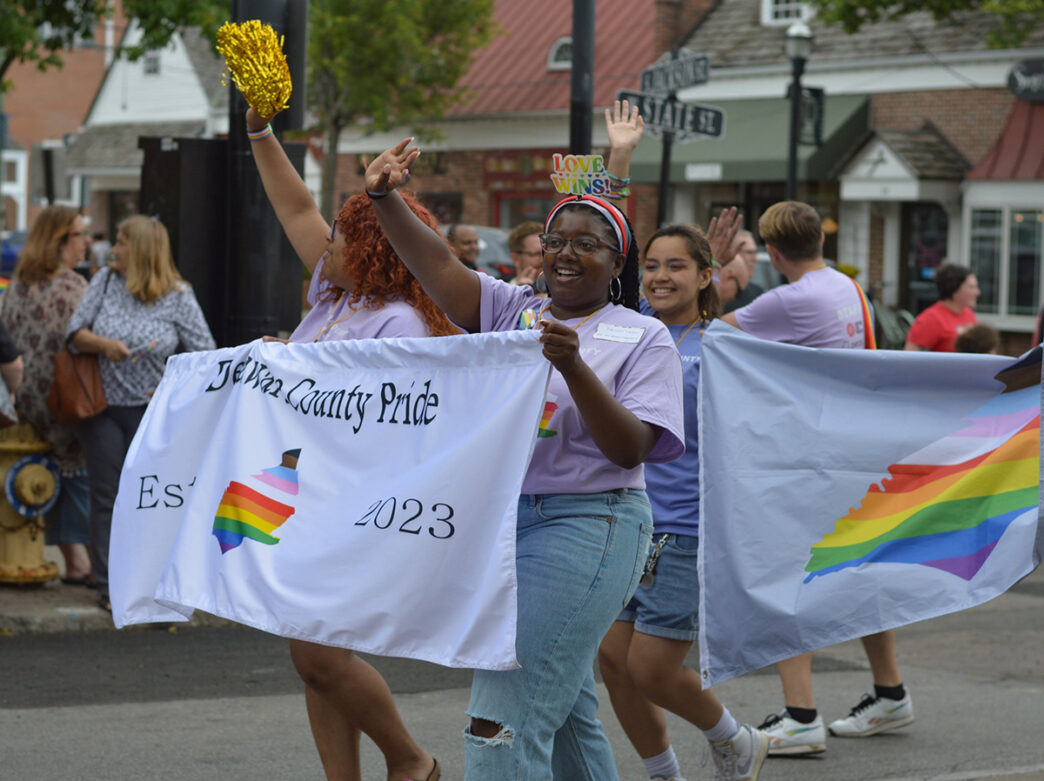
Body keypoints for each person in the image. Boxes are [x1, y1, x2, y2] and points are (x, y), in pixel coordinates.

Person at [364, 127, 685, 780]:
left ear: (616, 259)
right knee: (565, 717)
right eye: (554, 242)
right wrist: (385, 200)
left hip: (591, 524)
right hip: (509, 528)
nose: (564, 254)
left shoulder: (641, 335)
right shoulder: (516, 309)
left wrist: (575, 368)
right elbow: (441, 271)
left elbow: (630, 447)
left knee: (499, 725)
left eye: (586, 244)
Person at [246, 106, 446, 781]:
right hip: (307, 496)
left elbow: (382, 425)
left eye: (338, 236)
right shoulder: (335, 298)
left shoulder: (400, 323)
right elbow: (295, 206)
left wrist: (288, 372)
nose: (323, 241)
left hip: (355, 505)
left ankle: (411, 759)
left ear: (369, 247)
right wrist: (259, 132)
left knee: (320, 656)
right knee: (316, 659)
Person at [722, 200, 913, 755]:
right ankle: (890, 692)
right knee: (861, 571)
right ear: (820, 243)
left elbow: (703, 330)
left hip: (813, 457)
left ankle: (801, 716)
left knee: (789, 574)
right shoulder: (847, 287)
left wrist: (727, 279)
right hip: (854, 448)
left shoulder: (789, 298)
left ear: (774, 253)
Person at [597, 226, 769, 781]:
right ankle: (663, 772)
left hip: (686, 527)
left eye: (676, 266)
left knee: (651, 667)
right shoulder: (632, 331)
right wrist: (618, 160)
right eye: (652, 266)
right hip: (625, 519)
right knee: (612, 661)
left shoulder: (722, 344)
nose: (661, 276)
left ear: (704, 275)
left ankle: (735, 739)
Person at [66, 215, 216, 613]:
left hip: (154, 414)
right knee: (106, 494)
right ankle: (108, 583)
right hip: (102, 406)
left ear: (143, 250)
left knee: (151, 496)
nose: (112, 249)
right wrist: (103, 344)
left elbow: (204, 353)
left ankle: (154, 579)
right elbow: (74, 333)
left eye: (121, 242)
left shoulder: (180, 296)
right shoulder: (104, 283)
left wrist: (171, 389)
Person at [2, 205, 91, 584]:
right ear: (59, 241)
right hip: (63, 395)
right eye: (78, 235)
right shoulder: (72, 285)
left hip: (24, 396)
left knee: (44, 471)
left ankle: (71, 556)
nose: (85, 243)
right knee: (78, 472)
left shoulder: (18, 281)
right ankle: (81, 563)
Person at [904, 263, 979, 352]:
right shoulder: (930, 319)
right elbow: (910, 356)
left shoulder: (968, 314)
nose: (977, 292)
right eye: (971, 287)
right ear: (954, 289)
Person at [722, 230, 764, 313]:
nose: (755, 259)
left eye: (755, 252)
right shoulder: (712, 291)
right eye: (749, 252)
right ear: (732, 252)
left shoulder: (757, 293)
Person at [507, 221, 543, 287]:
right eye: (536, 254)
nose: (543, 260)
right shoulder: (505, 295)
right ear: (515, 259)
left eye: (545, 253)